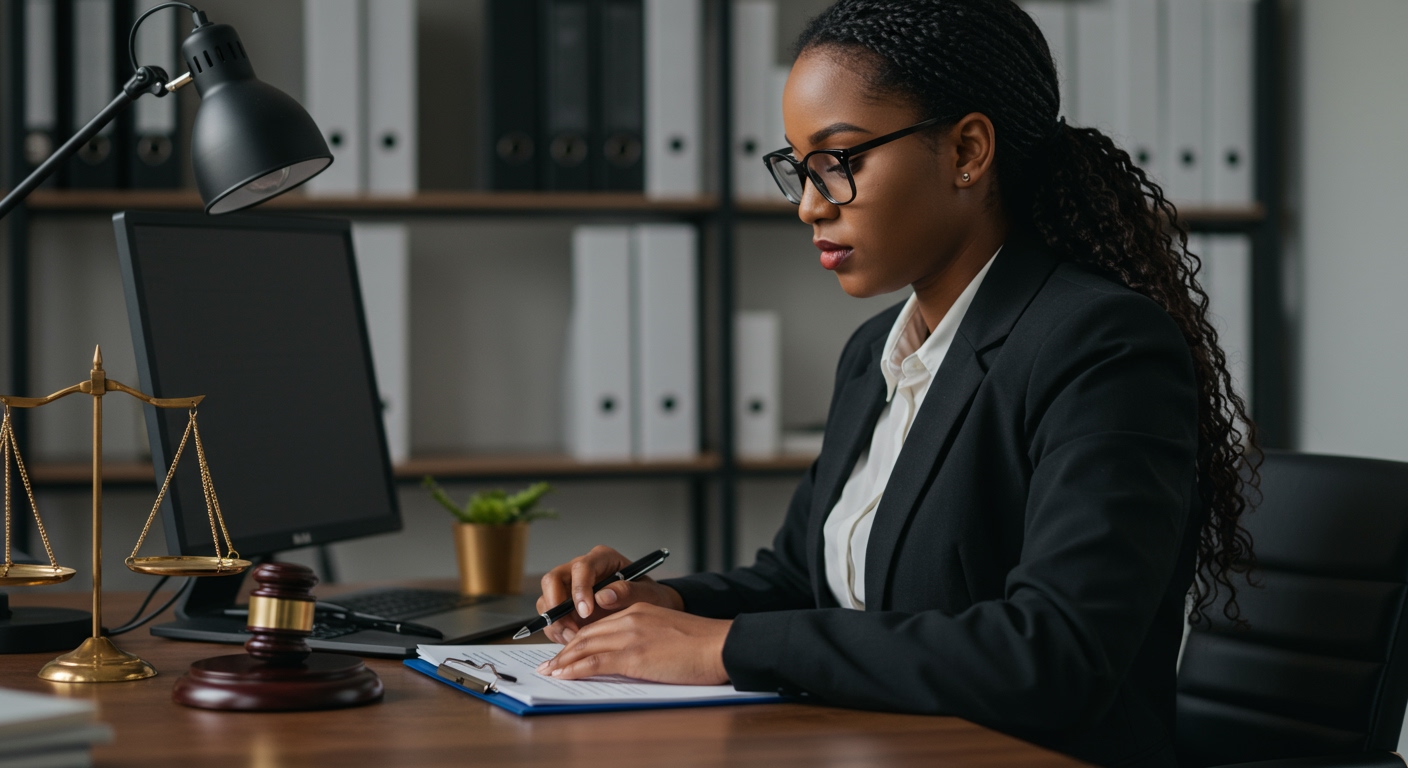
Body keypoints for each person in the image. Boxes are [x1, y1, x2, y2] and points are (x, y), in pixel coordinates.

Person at [533, 1, 1257, 764]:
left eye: (839, 160)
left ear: (967, 151)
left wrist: (724, 648)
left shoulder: (1100, 346)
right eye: (797, 167)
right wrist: (668, 604)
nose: (811, 204)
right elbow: (801, 577)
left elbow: (1052, 655)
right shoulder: (873, 351)